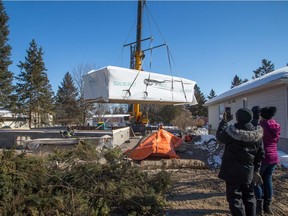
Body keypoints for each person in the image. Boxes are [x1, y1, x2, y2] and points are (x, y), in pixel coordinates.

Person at [216, 108, 264, 216]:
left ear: (237, 118)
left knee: (234, 198)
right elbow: (260, 154)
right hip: (248, 171)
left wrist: (224, 122)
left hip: (231, 171)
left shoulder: (231, 131)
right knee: (250, 197)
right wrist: (256, 170)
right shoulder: (257, 134)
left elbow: (219, 136)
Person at [254, 106, 280, 215]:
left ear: (262, 115)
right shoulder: (276, 125)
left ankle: (259, 207)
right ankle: (267, 206)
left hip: (263, 157)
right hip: (274, 157)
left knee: (257, 182)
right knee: (268, 180)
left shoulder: (261, 126)